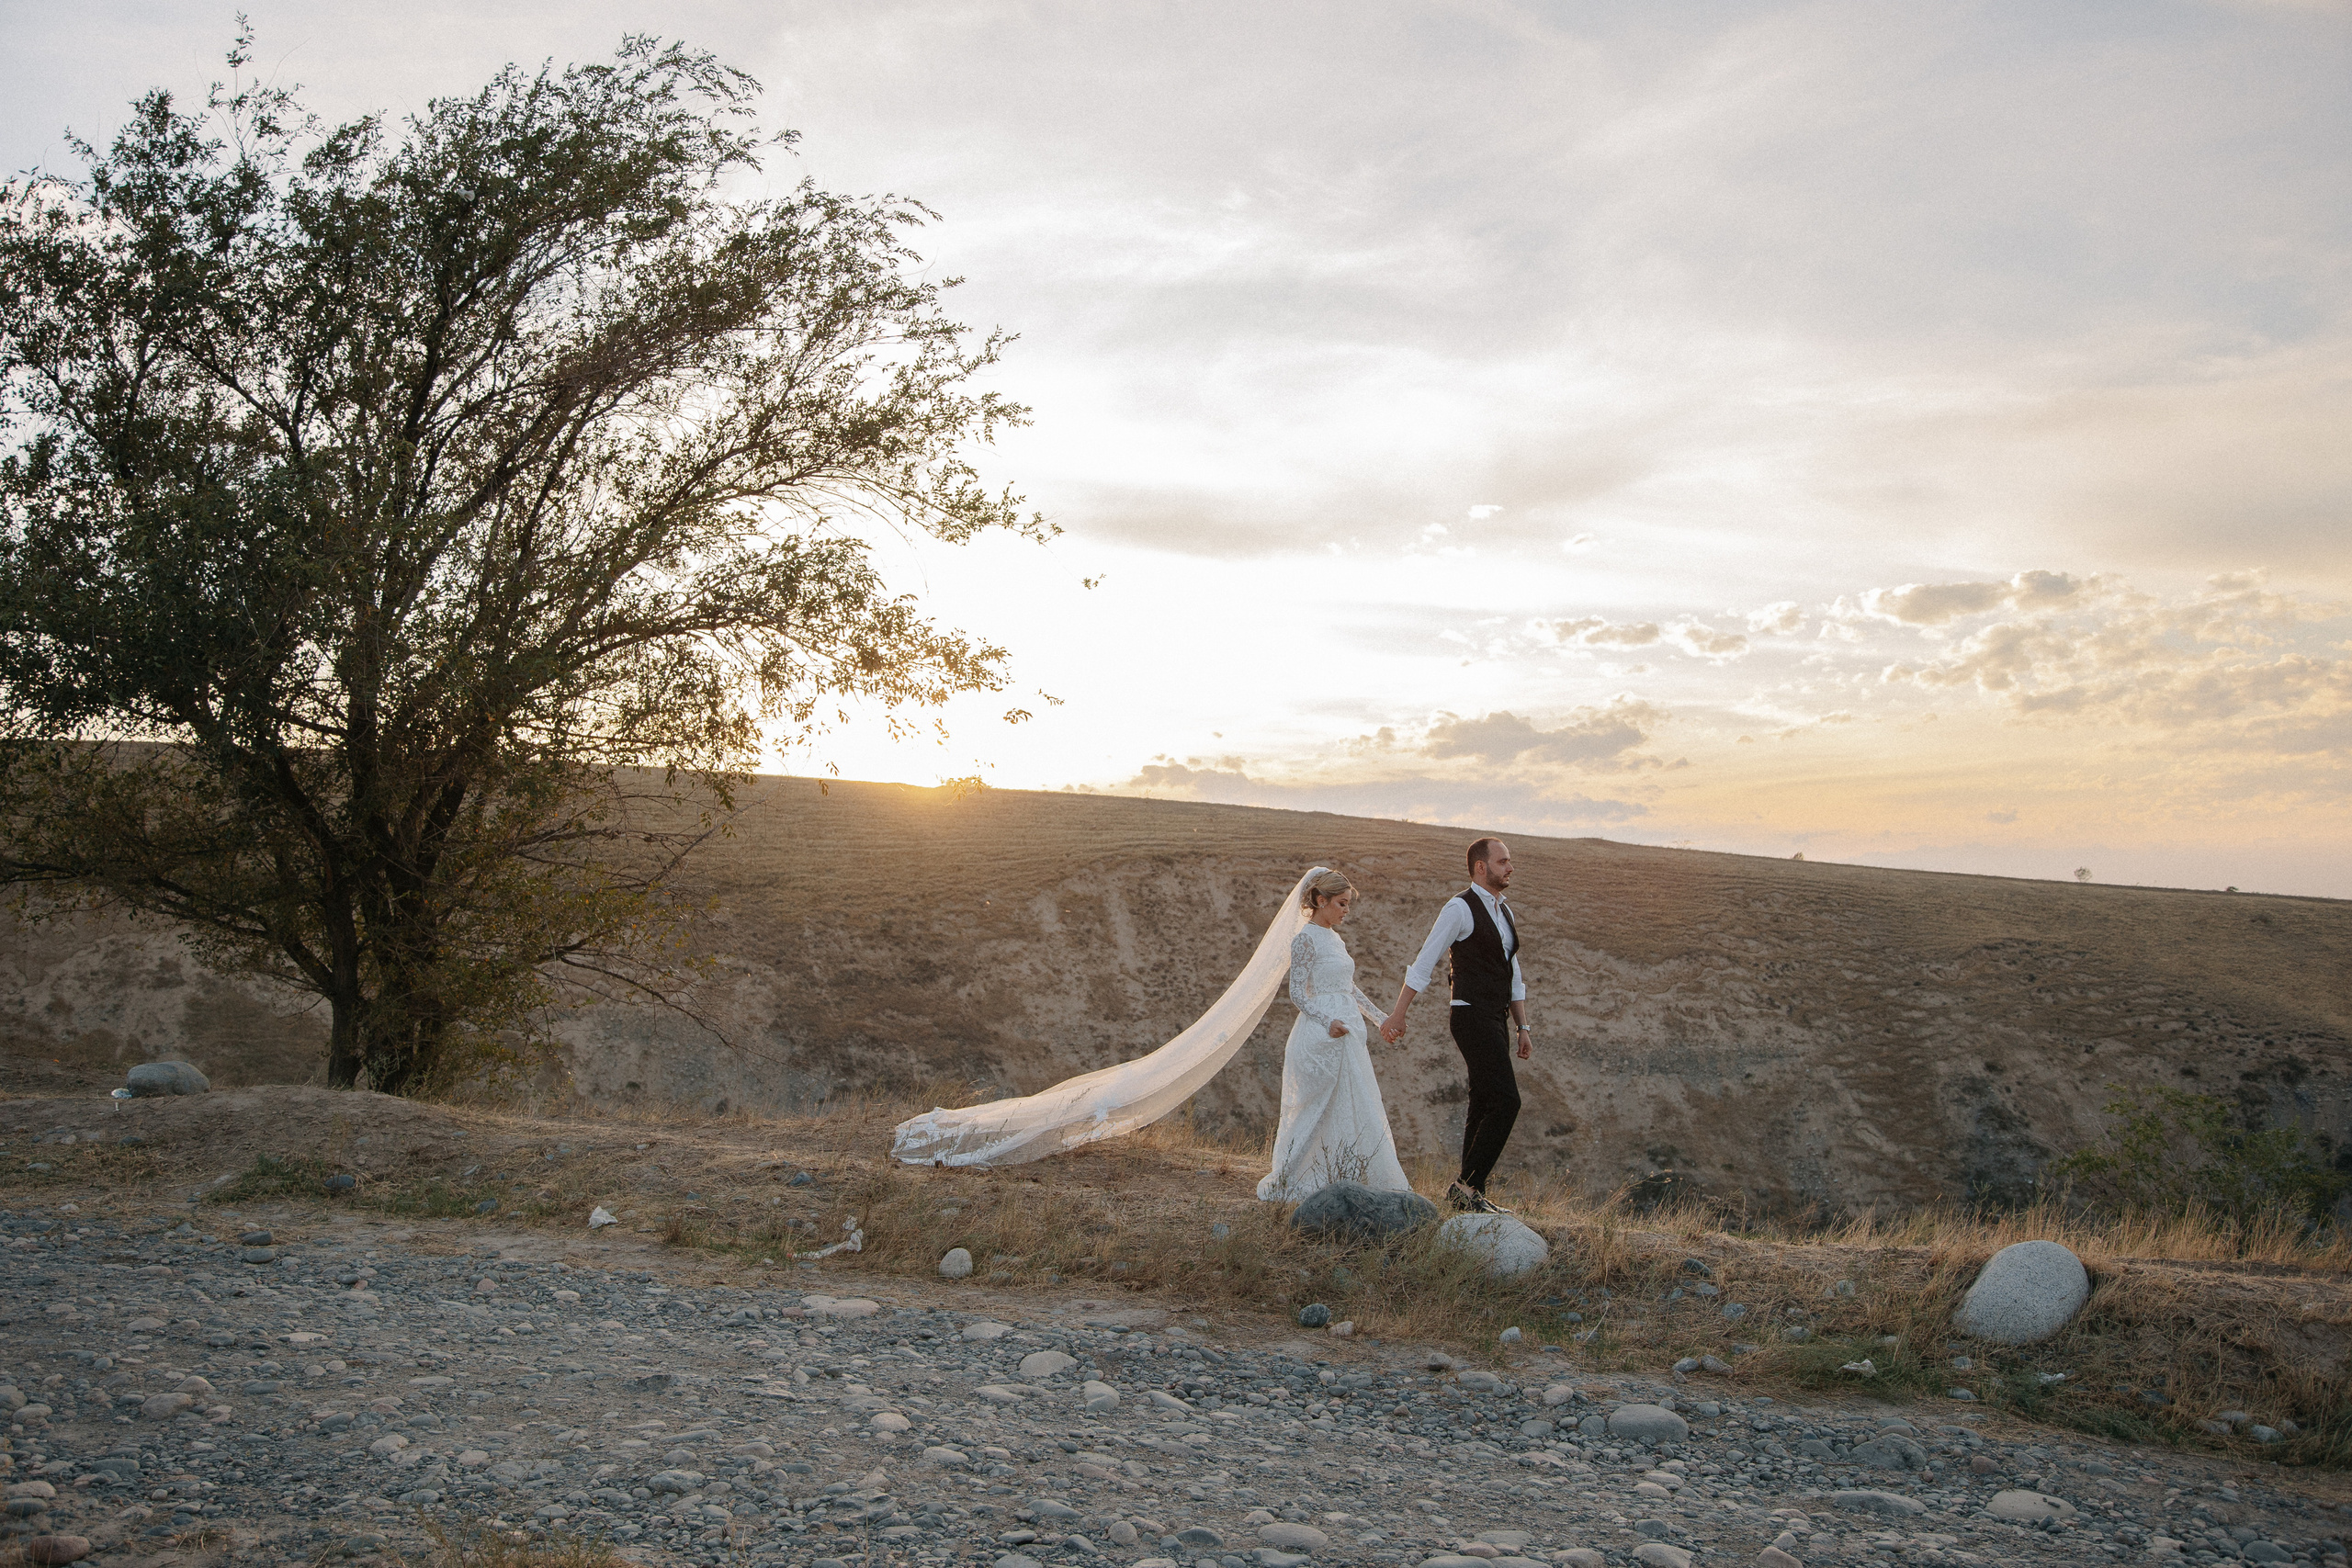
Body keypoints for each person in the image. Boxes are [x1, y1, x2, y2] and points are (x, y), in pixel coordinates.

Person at [1380, 837, 1530, 1213]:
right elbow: (1425, 960)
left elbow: (1513, 973)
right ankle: (1466, 1187)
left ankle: (1469, 1195)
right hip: (1469, 1014)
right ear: (1481, 867)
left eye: (1510, 861)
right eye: (1503, 861)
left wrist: (1522, 1027)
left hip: (1495, 1016)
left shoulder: (1504, 911)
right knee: (1507, 1100)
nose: (1510, 867)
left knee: (1482, 1101)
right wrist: (1399, 1013)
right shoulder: (1459, 909)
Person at [1257, 868, 1412, 1201]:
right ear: (1320, 900)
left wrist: (1381, 1018)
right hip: (1320, 1036)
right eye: (1341, 903)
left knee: (1353, 1104)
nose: (1346, 910)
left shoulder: (1336, 939)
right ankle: (1297, 1177)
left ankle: (1345, 1176)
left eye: (1348, 905)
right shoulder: (1305, 939)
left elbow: (1349, 989)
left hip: (1348, 1033)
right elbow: (1297, 993)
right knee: (1317, 1108)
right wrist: (1327, 1021)